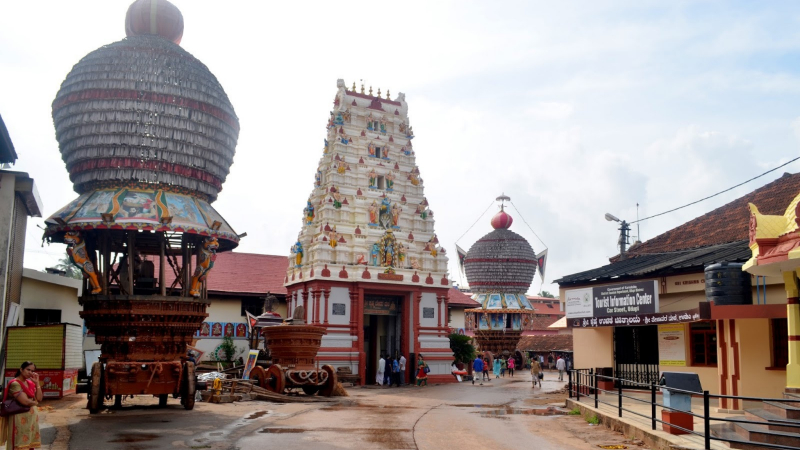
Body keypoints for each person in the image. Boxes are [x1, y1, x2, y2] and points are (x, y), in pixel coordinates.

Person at [2, 361, 42, 449]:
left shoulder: (30, 383)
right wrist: (34, 403)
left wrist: (37, 384)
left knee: (29, 443)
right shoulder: (15, 384)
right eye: (28, 370)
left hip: (31, 419)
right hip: (19, 419)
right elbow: (25, 402)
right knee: (19, 442)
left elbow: (39, 398)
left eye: (32, 371)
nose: (30, 373)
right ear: (21, 369)